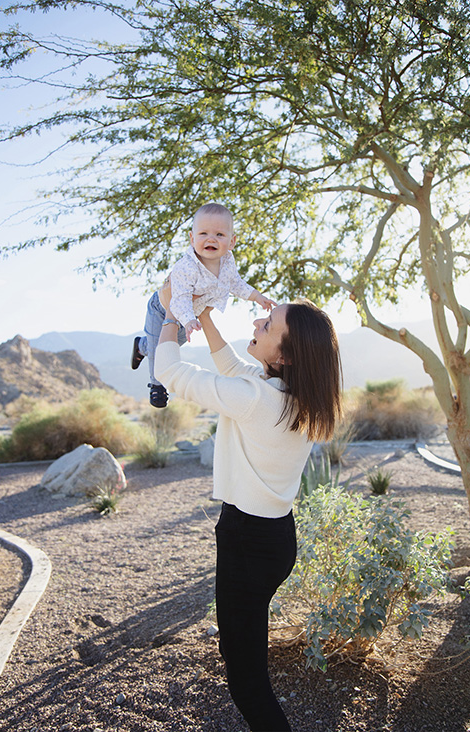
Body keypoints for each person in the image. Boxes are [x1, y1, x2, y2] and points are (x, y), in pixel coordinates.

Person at [154, 293, 342, 731]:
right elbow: (234, 368)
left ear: (285, 355)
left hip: (248, 543)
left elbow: (169, 372)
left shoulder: (256, 399)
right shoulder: (293, 396)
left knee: (246, 680)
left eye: (269, 324)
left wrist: (170, 311)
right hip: (271, 540)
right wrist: (200, 315)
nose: (258, 321)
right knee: (242, 655)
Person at [131, 202, 277, 408]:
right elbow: (179, 298)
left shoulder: (227, 261)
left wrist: (257, 297)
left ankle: (140, 346)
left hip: (192, 314)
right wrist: (189, 320)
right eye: (203, 234)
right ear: (192, 239)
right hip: (164, 308)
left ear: (232, 241)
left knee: (174, 342)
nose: (211, 239)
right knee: (162, 347)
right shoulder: (187, 267)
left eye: (219, 234)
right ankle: (157, 386)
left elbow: (235, 283)